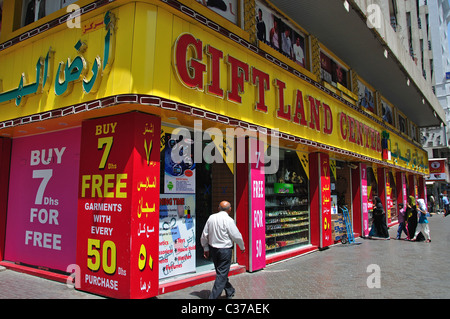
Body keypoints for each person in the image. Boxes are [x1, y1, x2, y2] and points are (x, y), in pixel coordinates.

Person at [201, 201, 245, 299]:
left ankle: (230, 290)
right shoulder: (229, 220)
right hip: (225, 250)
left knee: (221, 272)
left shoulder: (211, 218)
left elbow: (204, 234)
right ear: (230, 209)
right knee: (221, 274)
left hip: (214, 249)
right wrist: (242, 247)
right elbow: (236, 236)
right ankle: (213, 297)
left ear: (218, 208)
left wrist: (206, 248)